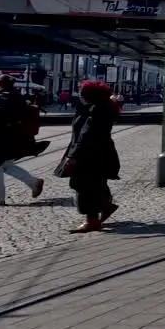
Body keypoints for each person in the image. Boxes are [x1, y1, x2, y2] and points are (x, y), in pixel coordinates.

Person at [58, 80, 120, 233]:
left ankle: (92, 220)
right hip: (99, 153)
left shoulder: (96, 111)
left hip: (89, 155)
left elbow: (86, 135)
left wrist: (74, 156)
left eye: (82, 93)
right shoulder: (99, 107)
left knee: (83, 185)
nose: (79, 95)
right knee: (96, 183)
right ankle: (106, 206)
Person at [0, 74, 46, 206]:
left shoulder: (1, 98)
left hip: (1, 138)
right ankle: (34, 182)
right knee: (6, 165)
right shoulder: (18, 97)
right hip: (15, 137)